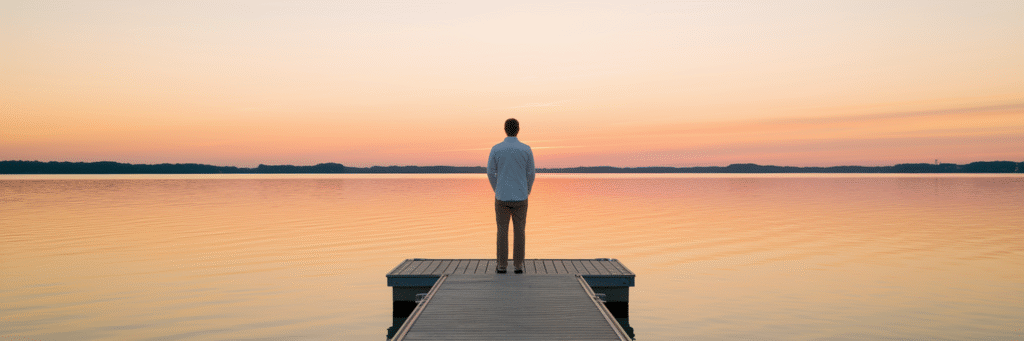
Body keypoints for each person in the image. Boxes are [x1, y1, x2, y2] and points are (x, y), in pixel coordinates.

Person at [487, 118, 535, 274]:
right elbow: (531, 174)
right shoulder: (526, 149)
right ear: (518, 129)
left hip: (502, 196)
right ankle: (518, 265)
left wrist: (497, 189)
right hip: (521, 196)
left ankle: (501, 265)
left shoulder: (496, 149)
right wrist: (526, 190)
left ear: (505, 129)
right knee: (520, 230)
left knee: (502, 230)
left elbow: (490, 172)